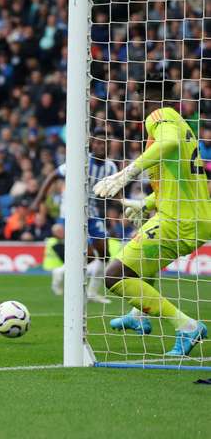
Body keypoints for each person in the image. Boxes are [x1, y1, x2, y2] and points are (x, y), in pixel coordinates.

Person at [94, 73, 209, 356]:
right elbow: (179, 179)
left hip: (179, 222)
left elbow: (167, 144)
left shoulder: (159, 116)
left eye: (134, 95)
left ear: (144, 96)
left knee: (114, 277)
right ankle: (139, 314)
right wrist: (145, 204)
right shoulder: (182, 124)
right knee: (140, 256)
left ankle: (187, 326)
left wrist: (127, 172)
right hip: (185, 215)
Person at [31, 129, 116, 303]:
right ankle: (64, 274)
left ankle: (87, 289)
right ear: (92, 144)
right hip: (72, 209)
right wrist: (39, 200)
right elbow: (54, 175)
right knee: (85, 252)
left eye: (104, 142)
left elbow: (113, 190)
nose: (101, 145)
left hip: (92, 211)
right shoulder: (81, 160)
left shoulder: (111, 166)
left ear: (109, 145)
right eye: (98, 142)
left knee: (104, 254)